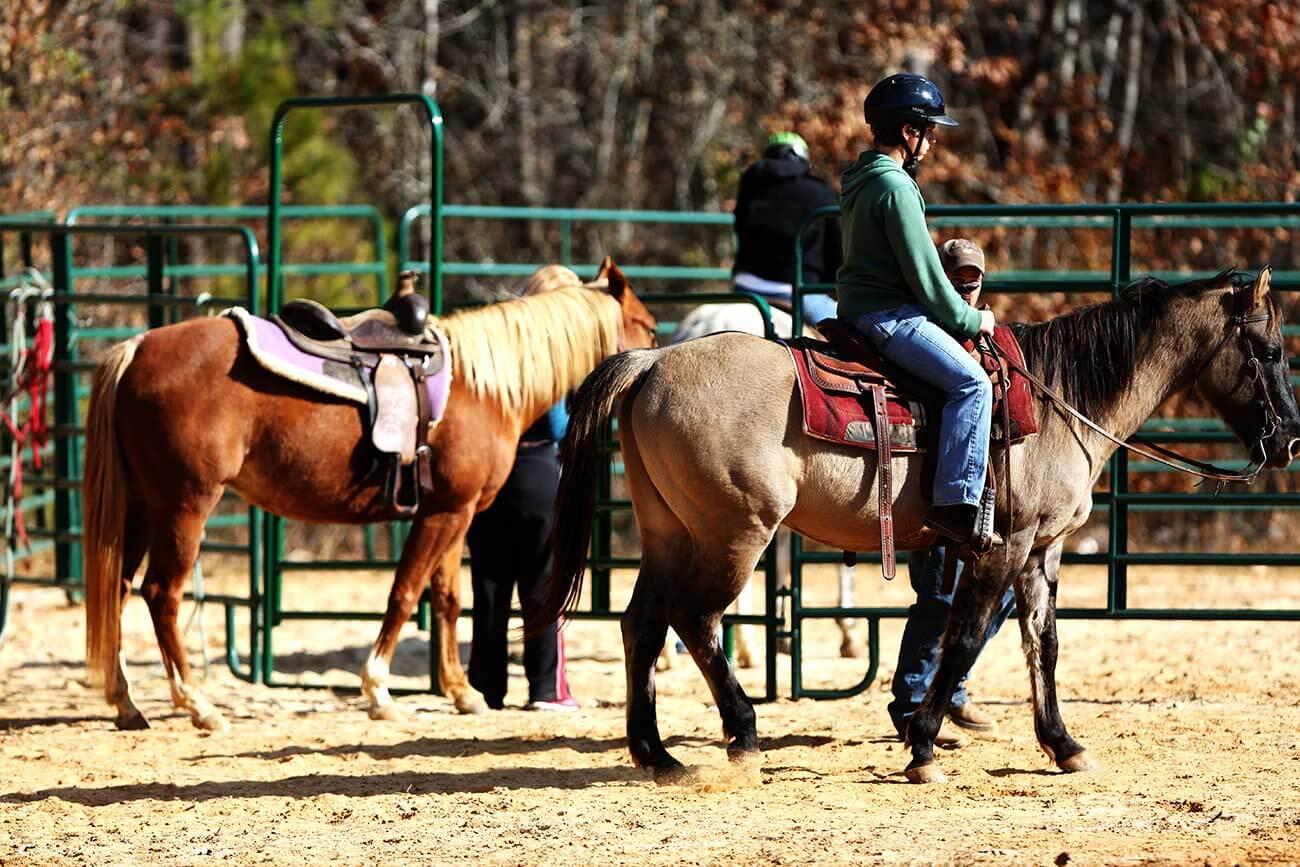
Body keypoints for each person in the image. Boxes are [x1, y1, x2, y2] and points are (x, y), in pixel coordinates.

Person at [836, 72, 997, 545]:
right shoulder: (896, 188)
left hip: (859, 310)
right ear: (910, 132)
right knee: (972, 384)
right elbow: (926, 279)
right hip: (890, 317)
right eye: (930, 131)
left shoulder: (861, 180)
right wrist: (972, 318)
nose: (932, 141)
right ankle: (956, 505)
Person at [887, 239, 1018, 745]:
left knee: (998, 594)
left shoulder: (974, 334)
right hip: (941, 490)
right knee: (940, 595)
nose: (966, 285)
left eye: (973, 277)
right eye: (956, 277)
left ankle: (950, 686)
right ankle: (911, 701)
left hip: (978, 488)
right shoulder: (933, 337)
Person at [466, 265, 580, 712]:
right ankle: (545, 689)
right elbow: (554, 423)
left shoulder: (492, 340)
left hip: (487, 467)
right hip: (535, 466)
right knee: (542, 584)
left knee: (489, 585)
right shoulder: (551, 349)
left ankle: (486, 688)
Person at [733, 131, 842, 328]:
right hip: (797, 290)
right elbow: (838, 247)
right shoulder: (819, 190)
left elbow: (739, 228)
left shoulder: (748, 184)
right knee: (851, 333)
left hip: (745, 286)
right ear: (802, 157)